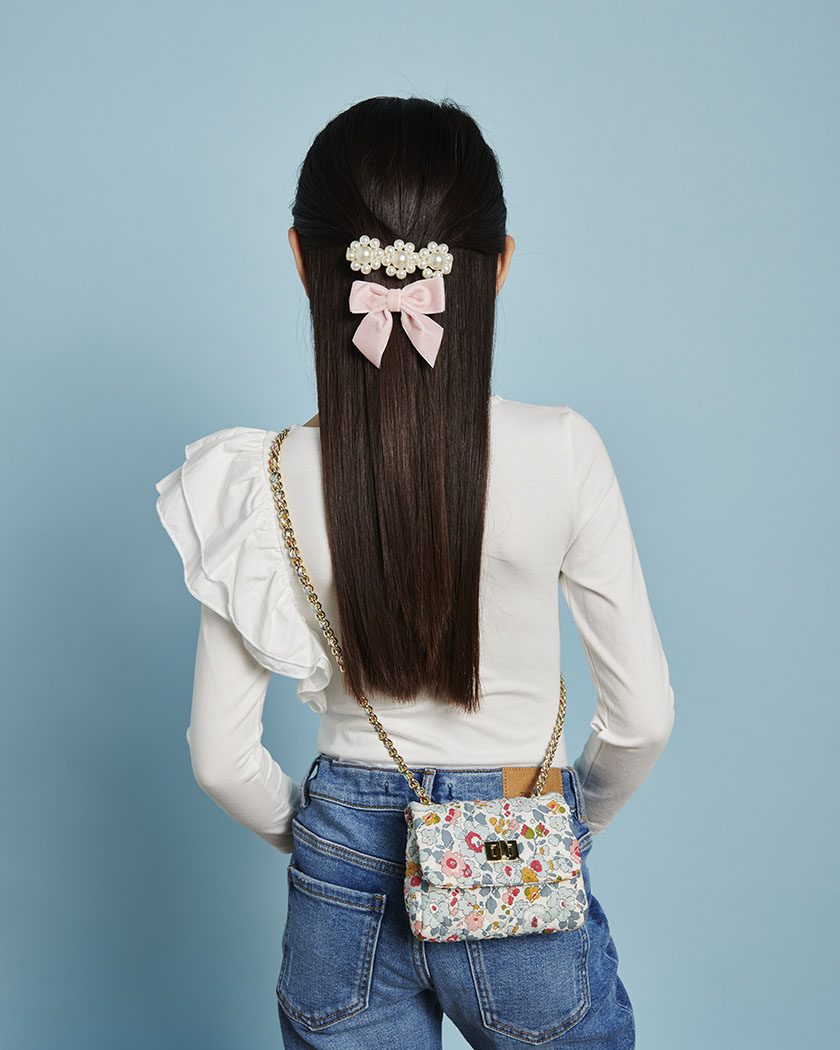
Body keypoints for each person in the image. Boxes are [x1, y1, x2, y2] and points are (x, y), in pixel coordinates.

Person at [155, 96, 675, 1049]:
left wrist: (332, 841)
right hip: (518, 840)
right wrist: (564, 824)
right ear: (500, 265)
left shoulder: (260, 478)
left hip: (344, 862)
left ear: (304, 261)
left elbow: (220, 760)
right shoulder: (563, 450)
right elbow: (641, 719)